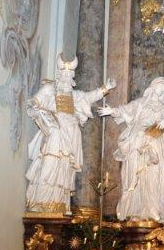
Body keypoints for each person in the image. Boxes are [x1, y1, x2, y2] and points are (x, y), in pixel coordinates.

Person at [25, 55, 116, 214]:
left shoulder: (75, 95)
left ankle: (59, 203)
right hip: (55, 131)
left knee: (65, 167)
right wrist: (34, 103)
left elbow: (90, 96)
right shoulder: (49, 89)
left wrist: (106, 88)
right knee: (50, 163)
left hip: (71, 133)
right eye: (64, 73)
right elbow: (36, 101)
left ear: (73, 77)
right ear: (59, 74)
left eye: (70, 74)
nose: (67, 77)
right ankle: (41, 201)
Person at [99, 77, 164, 223]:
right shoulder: (140, 103)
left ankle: (151, 208)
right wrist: (112, 111)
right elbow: (124, 110)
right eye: (158, 87)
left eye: (163, 89)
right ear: (152, 87)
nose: (159, 91)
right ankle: (133, 210)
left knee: (153, 177)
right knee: (134, 176)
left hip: (154, 145)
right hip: (136, 143)